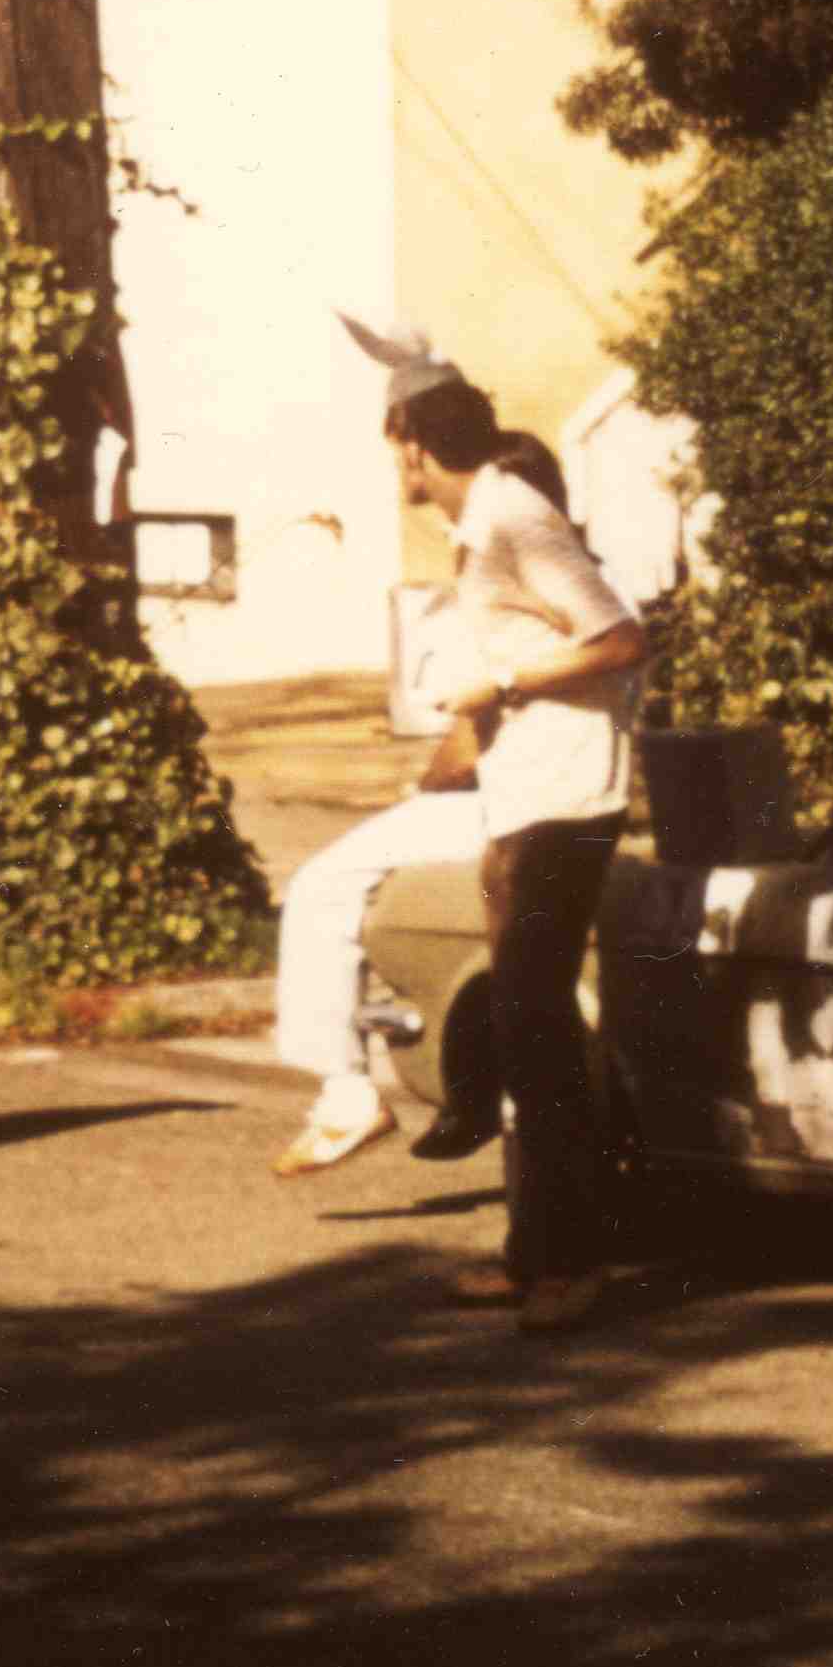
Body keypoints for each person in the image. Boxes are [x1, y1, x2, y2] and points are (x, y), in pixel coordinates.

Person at [391, 358, 647, 1333]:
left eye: (397, 449)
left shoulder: (514, 518)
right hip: (524, 796)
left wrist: (503, 688)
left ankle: (571, 1267)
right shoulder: (485, 524)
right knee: (520, 1029)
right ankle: (533, 1254)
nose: (398, 466)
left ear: (414, 447)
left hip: (567, 801)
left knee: (536, 1035)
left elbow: (620, 639)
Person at [268, 394, 576, 1181]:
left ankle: (345, 1092)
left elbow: (471, 740)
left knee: (323, 887)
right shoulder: (581, 574)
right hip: (570, 794)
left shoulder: (506, 571)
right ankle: (470, 1093)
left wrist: (423, 785)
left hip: (505, 798)